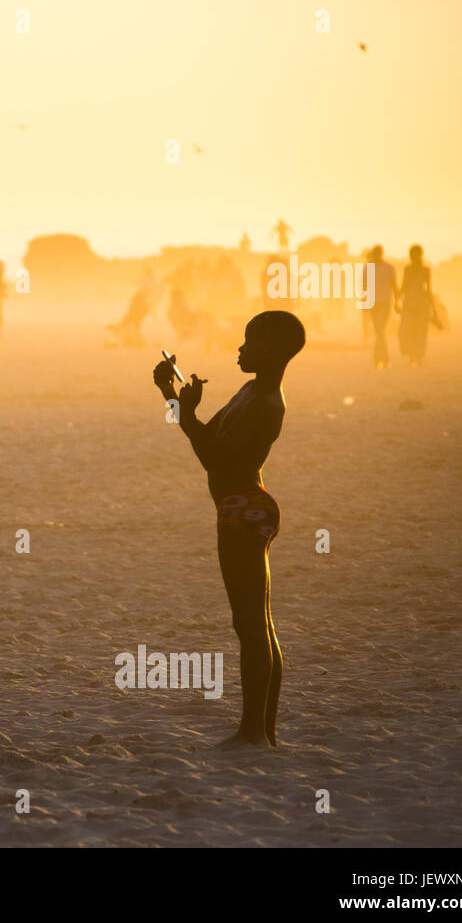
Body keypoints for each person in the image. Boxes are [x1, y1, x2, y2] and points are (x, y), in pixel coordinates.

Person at [152, 311, 306, 748]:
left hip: (243, 509)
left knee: (251, 625)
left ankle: (254, 730)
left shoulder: (264, 402)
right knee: (258, 623)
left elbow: (213, 458)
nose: (239, 350)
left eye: (248, 343)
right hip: (245, 506)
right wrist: (171, 396)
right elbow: (205, 436)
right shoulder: (251, 391)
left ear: (273, 350)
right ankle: (263, 729)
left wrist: (180, 405)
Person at [396, 244, 434, 365]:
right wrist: (397, 300)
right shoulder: (407, 269)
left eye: (416, 255)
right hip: (409, 301)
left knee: (421, 330)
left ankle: (419, 357)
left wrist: (433, 308)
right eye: (412, 255)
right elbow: (403, 286)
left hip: (422, 302)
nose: (414, 257)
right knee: (407, 329)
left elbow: (429, 289)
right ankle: (412, 354)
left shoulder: (426, 270)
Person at [363, 246, 396, 368]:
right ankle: (383, 359)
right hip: (373, 303)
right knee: (379, 331)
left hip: (385, 302)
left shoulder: (388, 268)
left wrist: (397, 301)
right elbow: (364, 287)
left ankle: (379, 359)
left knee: (380, 331)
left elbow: (394, 285)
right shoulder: (368, 268)